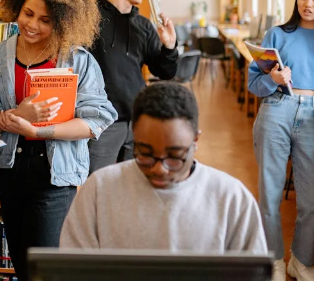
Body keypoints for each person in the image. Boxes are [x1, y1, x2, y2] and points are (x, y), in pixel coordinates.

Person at [0, 0, 117, 281]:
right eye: (27, 13)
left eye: (45, 20)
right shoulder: (0, 55)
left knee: (46, 270)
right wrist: (9, 118)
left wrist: (40, 131)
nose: (32, 25)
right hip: (11, 171)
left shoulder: (77, 60)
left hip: (55, 175)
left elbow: (97, 119)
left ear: (62, 22)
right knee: (22, 266)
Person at [60, 82, 267, 253]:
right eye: (145, 154)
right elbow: (72, 269)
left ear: (196, 140)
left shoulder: (231, 199)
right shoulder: (99, 190)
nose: (160, 169)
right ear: (135, 138)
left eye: (175, 156)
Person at [248, 0, 314, 281]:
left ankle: (301, 261)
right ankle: (273, 259)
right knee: (270, 194)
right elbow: (254, 83)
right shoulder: (276, 34)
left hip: (313, 114)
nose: (308, 4)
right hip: (276, 109)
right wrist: (272, 80)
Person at [88, 0, 178, 174]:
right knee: (100, 188)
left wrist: (169, 46)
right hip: (103, 122)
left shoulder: (144, 25)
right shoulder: (91, 17)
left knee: (133, 189)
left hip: (138, 121)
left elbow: (165, 71)